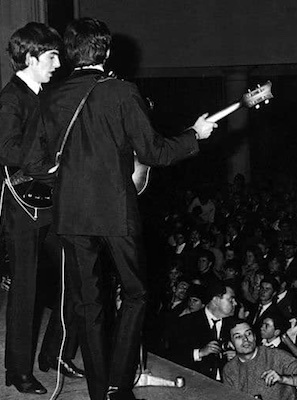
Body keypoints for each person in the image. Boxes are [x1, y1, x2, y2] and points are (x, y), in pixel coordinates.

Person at [40, 17, 216, 400]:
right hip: (115, 211)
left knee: (89, 303)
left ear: (71, 54)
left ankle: (98, 391)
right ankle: (121, 382)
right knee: (135, 293)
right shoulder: (121, 91)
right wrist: (194, 137)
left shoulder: (52, 95)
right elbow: (154, 152)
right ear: (105, 50)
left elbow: (43, 157)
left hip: (70, 211)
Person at [0, 22, 74, 395]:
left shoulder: (46, 95)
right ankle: (18, 370)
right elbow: (5, 151)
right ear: (30, 57)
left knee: (70, 280)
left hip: (54, 201)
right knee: (25, 291)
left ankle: (52, 354)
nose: (58, 63)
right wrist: (47, 165)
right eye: (52, 56)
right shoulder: (12, 99)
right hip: (25, 205)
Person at [223, 320, 297, 400]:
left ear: (255, 336)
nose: (245, 339)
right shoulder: (229, 369)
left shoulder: (275, 355)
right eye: (238, 336)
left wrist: (283, 379)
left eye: (248, 333)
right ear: (230, 344)